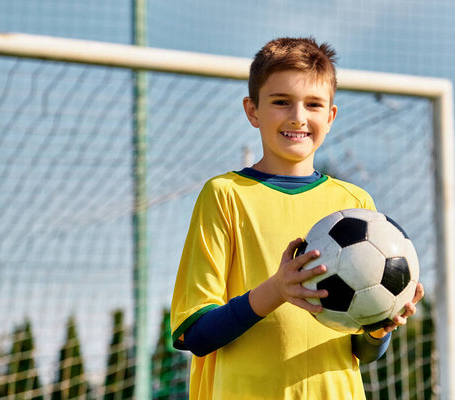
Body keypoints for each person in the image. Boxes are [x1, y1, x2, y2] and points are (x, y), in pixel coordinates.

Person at [170, 37, 424, 400]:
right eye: (281, 102)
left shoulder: (355, 202)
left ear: (330, 116)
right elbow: (193, 333)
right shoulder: (225, 195)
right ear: (253, 110)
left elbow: (361, 353)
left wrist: (381, 326)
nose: (298, 117)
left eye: (313, 104)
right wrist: (276, 290)